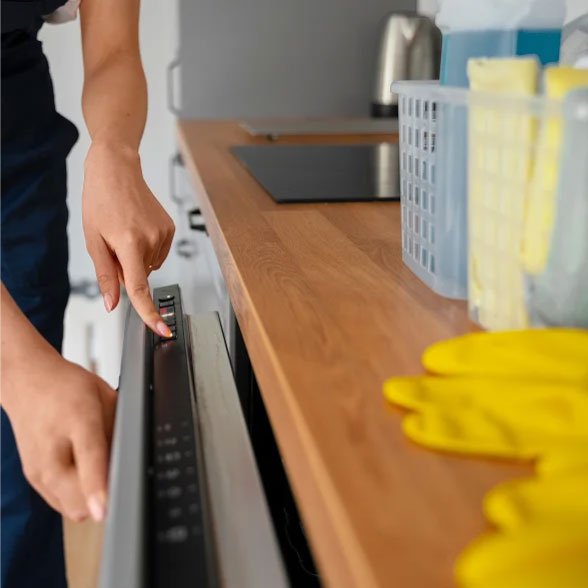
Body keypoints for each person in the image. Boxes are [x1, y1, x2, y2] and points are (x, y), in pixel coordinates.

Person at [1, 0, 175, 585]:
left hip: (14, 115)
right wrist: (16, 366)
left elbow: (113, 53)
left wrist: (116, 152)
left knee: (25, 472)